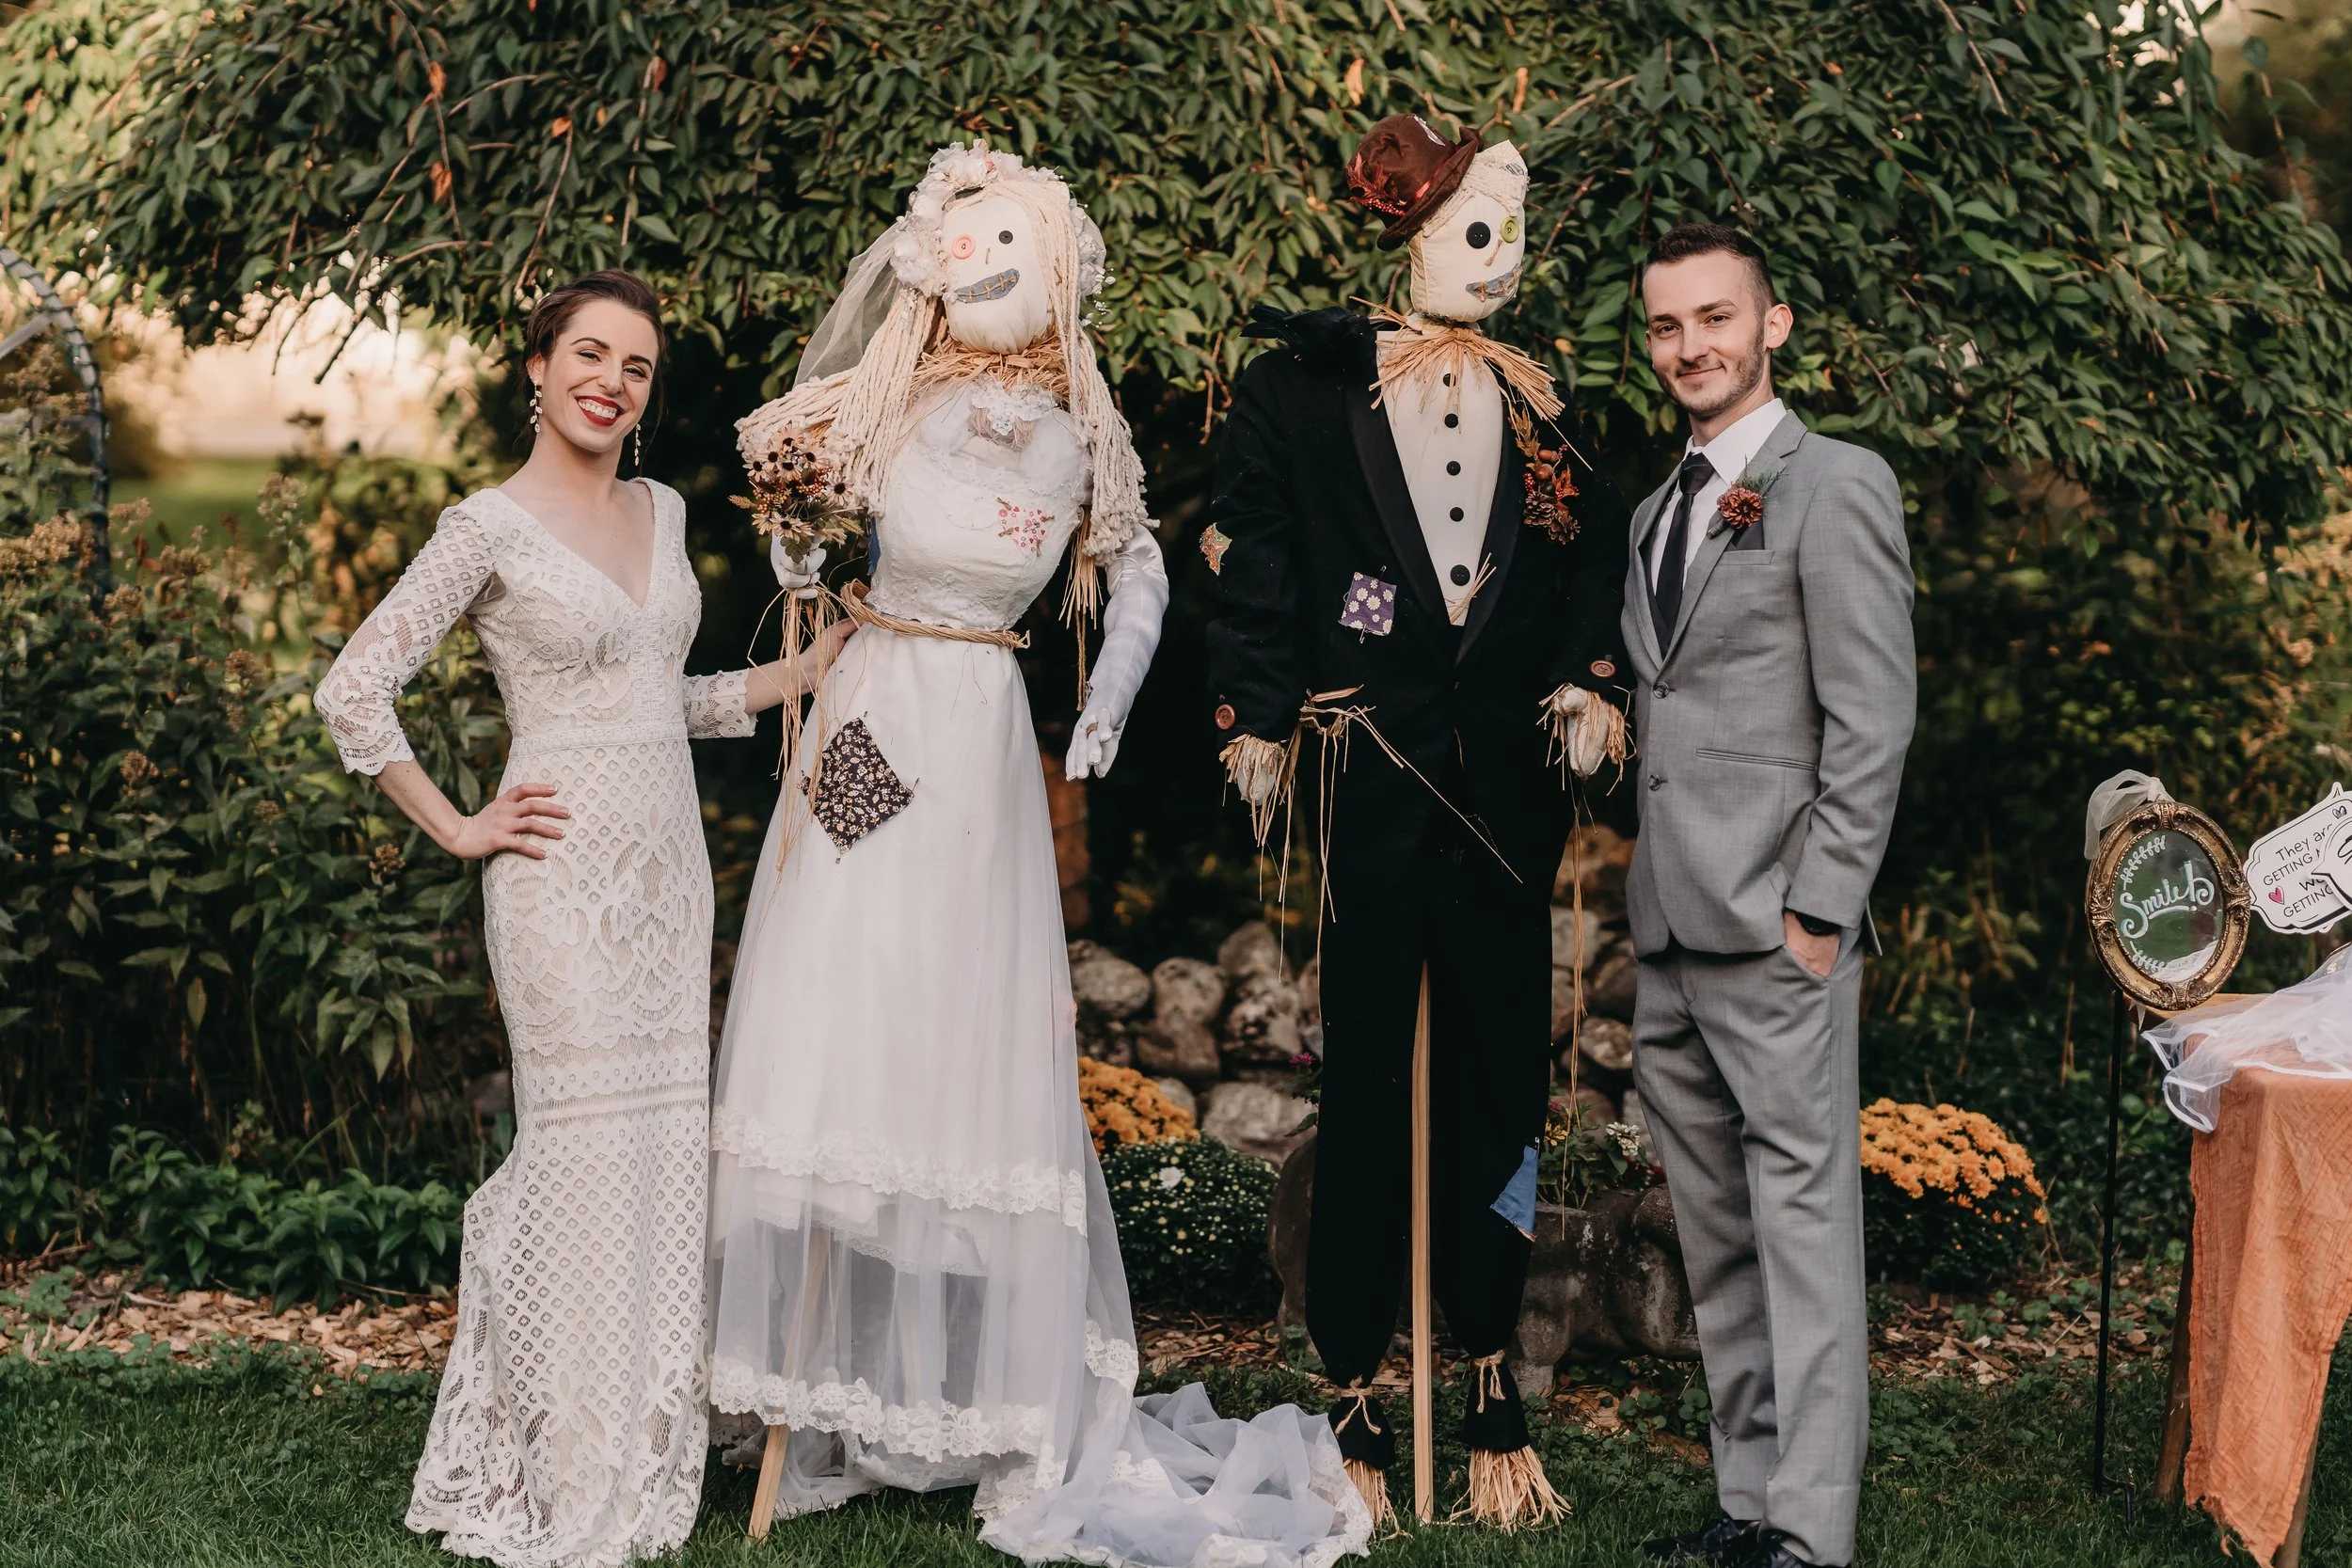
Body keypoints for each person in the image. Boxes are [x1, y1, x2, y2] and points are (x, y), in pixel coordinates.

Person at [709, 144, 1369, 1567]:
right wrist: (799, 534)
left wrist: (1113, 697)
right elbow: (799, 551)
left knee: (965, 1002)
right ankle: (806, 1379)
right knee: (840, 977)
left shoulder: (1082, 433)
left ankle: (988, 1394)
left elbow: (1138, 570)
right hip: (873, 703)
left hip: (985, 739)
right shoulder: (884, 402)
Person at [313, 269, 850, 1567]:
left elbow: (671, 699)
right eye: (590, 355)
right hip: (557, 880)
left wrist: (803, 671)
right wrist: (460, 824)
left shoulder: (665, 513)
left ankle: (644, 1435)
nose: (612, 381)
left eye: (637, 367)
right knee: (574, 1154)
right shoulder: (485, 528)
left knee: (662, 1154)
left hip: (668, 881)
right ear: (539, 369)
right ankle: (560, 1453)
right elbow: (352, 691)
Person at [1203, 114, 1631, 1528]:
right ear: (1416, 233)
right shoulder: (1305, 390)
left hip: (1505, 800)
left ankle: (1491, 1371)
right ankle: (1355, 1383)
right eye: (1477, 233)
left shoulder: (1549, 405)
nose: (1500, 261)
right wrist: (1259, 712)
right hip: (1371, 786)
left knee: (1503, 1082)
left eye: (1515, 237)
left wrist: (1590, 679)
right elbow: (1257, 555)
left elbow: (1595, 562)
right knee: (1368, 1083)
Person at [1622, 223, 1915, 1568]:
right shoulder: (1655, 510)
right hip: (1670, 931)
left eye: (1716, 317)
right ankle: (1748, 1503)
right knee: (1719, 1235)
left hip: (1777, 929)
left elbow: (1873, 717)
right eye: (1667, 325)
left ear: (1772, 324)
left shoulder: (1834, 484)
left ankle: (1812, 1531)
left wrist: (1821, 911)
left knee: (1803, 1235)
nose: (1692, 346)